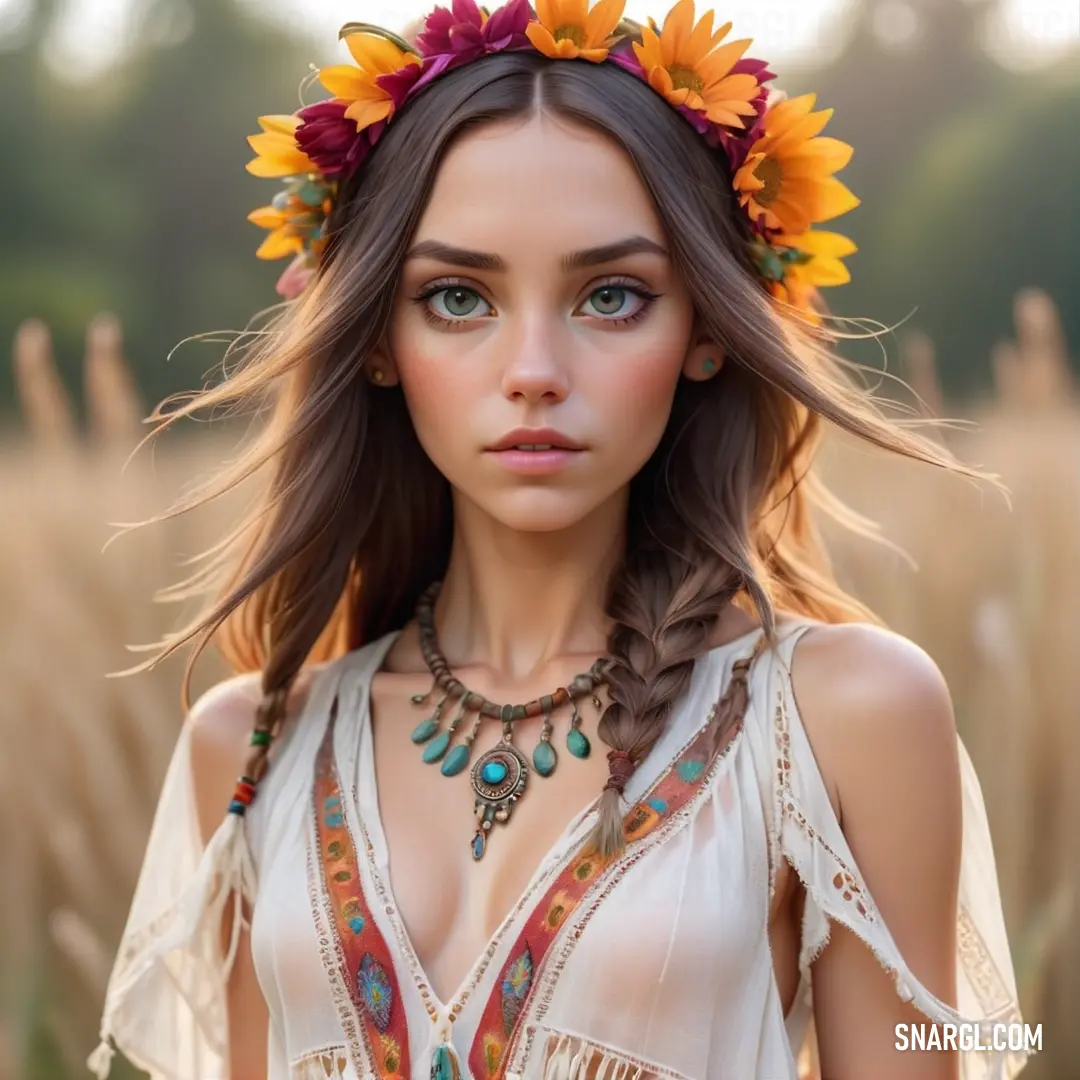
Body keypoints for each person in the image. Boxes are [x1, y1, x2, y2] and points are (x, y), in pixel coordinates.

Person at [88, 2, 1028, 1078]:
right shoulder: (252, 748)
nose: (533, 367)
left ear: (709, 331)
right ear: (378, 338)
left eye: (612, 296)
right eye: (456, 297)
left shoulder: (842, 717)